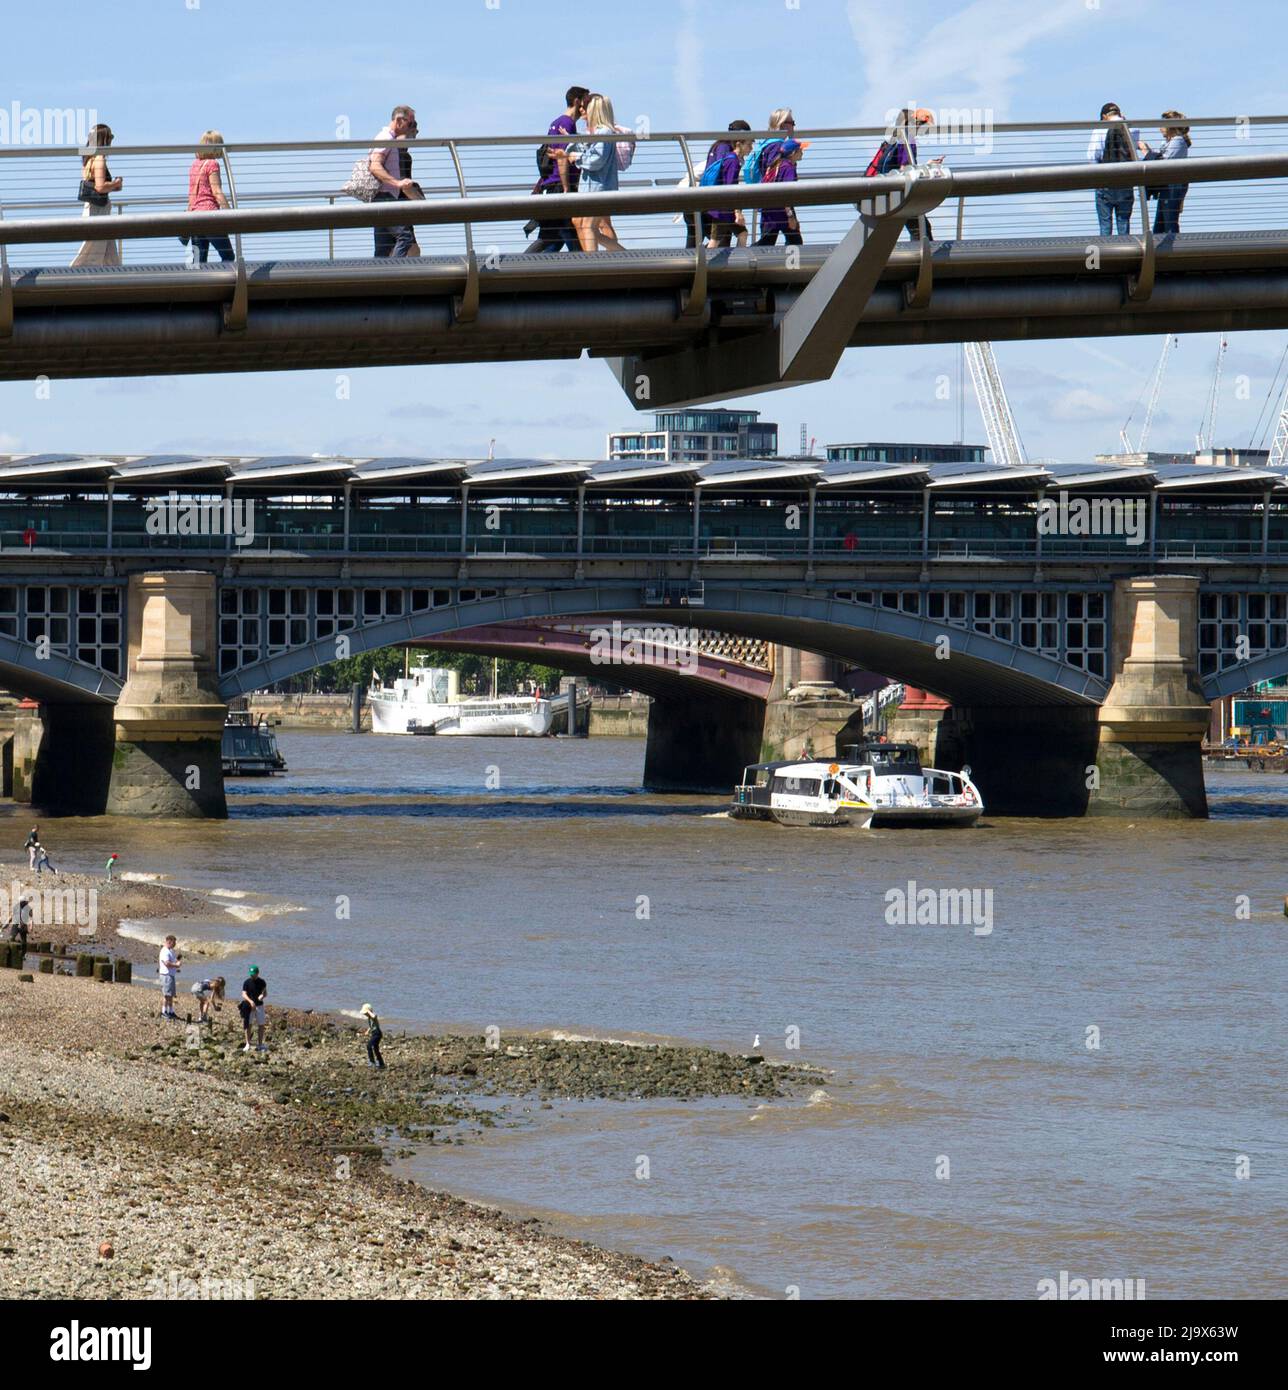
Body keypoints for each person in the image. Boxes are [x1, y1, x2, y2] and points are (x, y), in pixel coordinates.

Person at [525, 86, 590, 254]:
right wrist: (567, 189)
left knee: (553, 240)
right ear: (577, 101)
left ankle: (521, 269)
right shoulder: (567, 123)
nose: (588, 105)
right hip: (560, 187)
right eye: (586, 101)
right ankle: (589, 273)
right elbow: (562, 157)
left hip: (552, 186)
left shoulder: (557, 123)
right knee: (569, 239)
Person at [567, 94, 622, 251]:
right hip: (593, 188)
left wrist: (576, 157)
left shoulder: (604, 132)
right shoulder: (599, 132)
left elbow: (596, 160)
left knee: (588, 226)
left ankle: (593, 266)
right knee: (587, 226)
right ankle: (623, 256)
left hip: (599, 188)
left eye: (586, 107)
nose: (583, 110)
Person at [686, 120, 751, 250]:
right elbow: (728, 184)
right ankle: (700, 265)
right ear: (739, 141)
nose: (751, 147)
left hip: (701, 199)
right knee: (718, 242)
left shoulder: (718, 145)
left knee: (702, 241)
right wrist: (737, 211)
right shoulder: (729, 154)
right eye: (749, 143)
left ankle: (691, 266)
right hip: (715, 205)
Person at [885, 108, 943, 241]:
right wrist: (928, 167)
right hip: (900, 193)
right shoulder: (908, 139)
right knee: (921, 230)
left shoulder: (893, 140)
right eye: (922, 125)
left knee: (917, 228)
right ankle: (923, 259)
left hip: (887, 192)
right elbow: (905, 169)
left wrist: (927, 164)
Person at [1087, 102, 1143, 236]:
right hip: (1126, 182)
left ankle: (1107, 254)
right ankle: (1125, 254)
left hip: (1105, 181)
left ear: (1104, 116)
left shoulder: (1100, 129)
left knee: (1105, 225)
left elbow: (1092, 156)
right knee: (1123, 223)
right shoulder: (1131, 128)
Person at [369, 105, 417, 258]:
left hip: (385, 198)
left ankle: (378, 279)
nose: (411, 129)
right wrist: (397, 183)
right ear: (399, 120)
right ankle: (394, 273)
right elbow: (374, 166)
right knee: (405, 237)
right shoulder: (386, 138)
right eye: (410, 124)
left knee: (383, 248)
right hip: (384, 198)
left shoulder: (391, 140)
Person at [72, 123, 122, 268]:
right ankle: (76, 275)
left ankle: (117, 274)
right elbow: (100, 187)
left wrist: (111, 186)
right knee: (93, 249)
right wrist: (116, 183)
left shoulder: (88, 159)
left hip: (92, 207)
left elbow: (94, 184)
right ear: (104, 140)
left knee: (107, 250)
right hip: (99, 209)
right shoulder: (99, 159)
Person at [188, 130, 234, 265]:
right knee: (228, 255)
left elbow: (191, 194)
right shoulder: (212, 164)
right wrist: (231, 212)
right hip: (209, 216)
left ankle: (197, 285)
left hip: (194, 217)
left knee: (198, 262)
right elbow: (216, 191)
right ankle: (224, 284)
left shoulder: (194, 165)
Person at [1141, 113, 1191, 235]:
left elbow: (1164, 163)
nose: (1160, 128)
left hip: (1173, 186)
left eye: (1162, 125)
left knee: (1169, 223)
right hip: (1168, 186)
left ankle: (1174, 250)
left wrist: (1146, 152)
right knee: (1161, 225)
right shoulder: (1170, 143)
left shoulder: (1178, 141)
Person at [755, 140, 805, 247]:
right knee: (795, 243)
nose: (802, 152)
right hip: (781, 213)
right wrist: (791, 217)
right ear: (792, 153)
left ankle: (749, 255)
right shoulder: (788, 168)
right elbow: (787, 194)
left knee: (766, 244)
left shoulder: (776, 165)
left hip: (769, 212)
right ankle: (745, 254)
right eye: (800, 150)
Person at [240, 964, 268, 1052]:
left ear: (257, 973)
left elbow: (265, 993)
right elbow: (243, 994)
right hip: (249, 1006)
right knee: (248, 1024)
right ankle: (248, 1043)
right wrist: (250, 1001)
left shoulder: (262, 982)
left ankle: (260, 1044)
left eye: (253, 974)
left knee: (261, 1025)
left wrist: (262, 996)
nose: (252, 975)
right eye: (250, 973)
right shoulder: (246, 982)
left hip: (259, 1005)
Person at [159, 935, 181, 1020]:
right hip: (166, 975)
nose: (175, 944)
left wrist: (177, 962)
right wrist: (176, 965)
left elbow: (173, 961)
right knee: (166, 995)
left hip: (170, 975)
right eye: (174, 942)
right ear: (169, 941)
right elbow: (167, 963)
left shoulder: (170, 951)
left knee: (171, 995)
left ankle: (171, 1012)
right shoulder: (164, 951)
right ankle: (164, 1012)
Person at [360, 1003, 385, 1069]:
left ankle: (372, 1062)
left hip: (377, 1033)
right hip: (374, 1033)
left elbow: (374, 1017)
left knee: (369, 1046)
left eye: (365, 1013)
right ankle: (381, 1063)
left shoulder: (373, 1016)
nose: (365, 1014)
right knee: (376, 1049)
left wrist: (368, 1011)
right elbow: (371, 1026)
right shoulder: (369, 1018)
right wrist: (367, 1031)